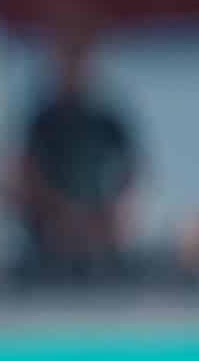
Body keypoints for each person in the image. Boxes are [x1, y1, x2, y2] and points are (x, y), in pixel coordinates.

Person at [11, 22, 140, 282]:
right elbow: (26, 174)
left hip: (101, 248)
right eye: (67, 55)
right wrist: (61, 214)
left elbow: (131, 175)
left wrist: (103, 218)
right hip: (47, 251)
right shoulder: (42, 122)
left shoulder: (107, 121)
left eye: (80, 55)